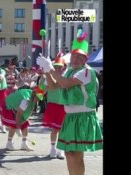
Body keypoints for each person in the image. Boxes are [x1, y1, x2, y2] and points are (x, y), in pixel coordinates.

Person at [36, 26, 103, 175]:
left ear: (86, 59)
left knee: (76, 154)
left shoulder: (86, 72)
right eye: (74, 56)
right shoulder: (70, 71)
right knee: (69, 153)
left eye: (81, 57)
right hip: (71, 117)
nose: (76, 59)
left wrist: (51, 69)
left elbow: (65, 83)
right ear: (70, 57)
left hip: (83, 117)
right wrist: (47, 71)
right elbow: (53, 86)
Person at [42, 52, 67, 159]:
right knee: (54, 129)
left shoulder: (67, 76)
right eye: (56, 66)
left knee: (62, 129)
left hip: (64, 106)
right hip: (53, 105)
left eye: (60, 67)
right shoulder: (49, 76)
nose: (58, 68)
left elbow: (59, 85)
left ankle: (60, 149)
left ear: (64, 67)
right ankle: (53, 149)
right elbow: (42, 89)